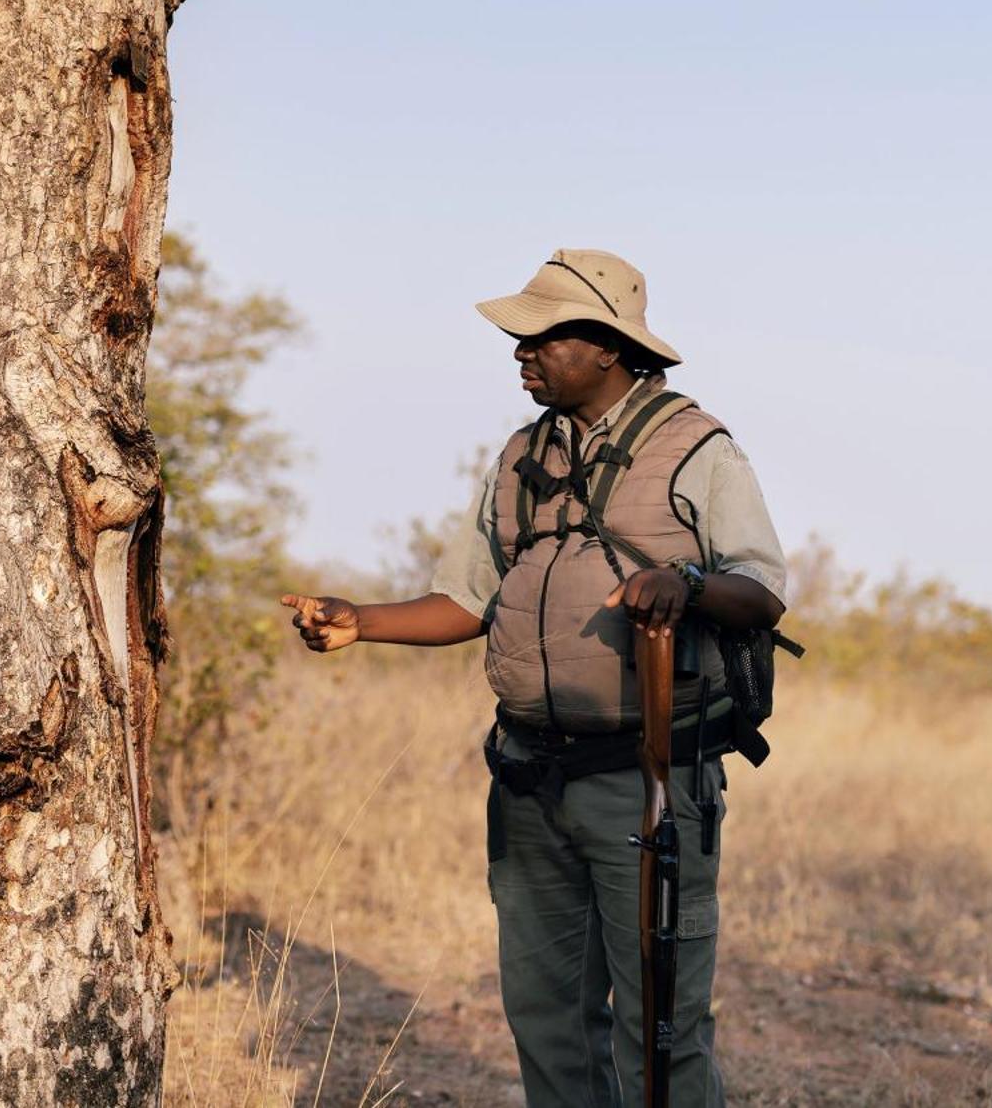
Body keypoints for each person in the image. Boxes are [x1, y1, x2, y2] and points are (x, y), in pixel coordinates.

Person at [281, 249, 786, 1108]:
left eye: (540, 337)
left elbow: (762, 589)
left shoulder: (697, 446)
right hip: (527, 776)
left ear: (605, 346)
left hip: (649, 779)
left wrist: (688, 584)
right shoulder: (520, 456)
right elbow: (466, 598)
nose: (521, 353)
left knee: (662, 1026)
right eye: (520, 339)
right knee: (546, 1016)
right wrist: (360, 619)